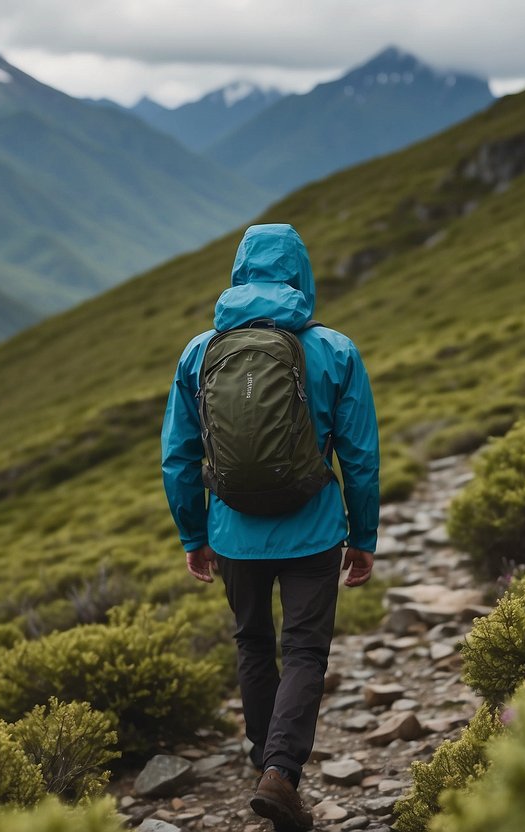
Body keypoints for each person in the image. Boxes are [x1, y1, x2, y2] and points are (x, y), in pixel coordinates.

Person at [161, 223, 380, 831]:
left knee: (253, 642)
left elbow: (179, 456)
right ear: (301, 276)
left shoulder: (199, 351)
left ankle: (266, 762)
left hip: (233, 531)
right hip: (314, 530)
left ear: (239, 273)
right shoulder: (334, 349)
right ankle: (281, 774)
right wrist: (363, 537)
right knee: (305, 649)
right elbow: (359, 457)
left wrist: (193, 534)